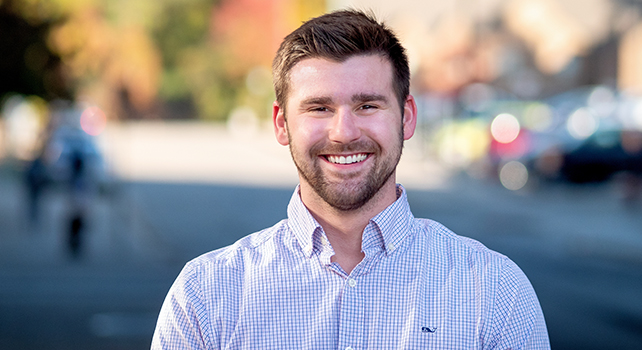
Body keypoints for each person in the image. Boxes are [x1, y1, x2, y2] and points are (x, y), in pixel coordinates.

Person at [152, 9, 550, 349]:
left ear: (407, 117)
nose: (344, 132)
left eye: (367, 105)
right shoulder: (205, 296)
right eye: (320, 108)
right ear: (281, 124)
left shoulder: (495, 291)